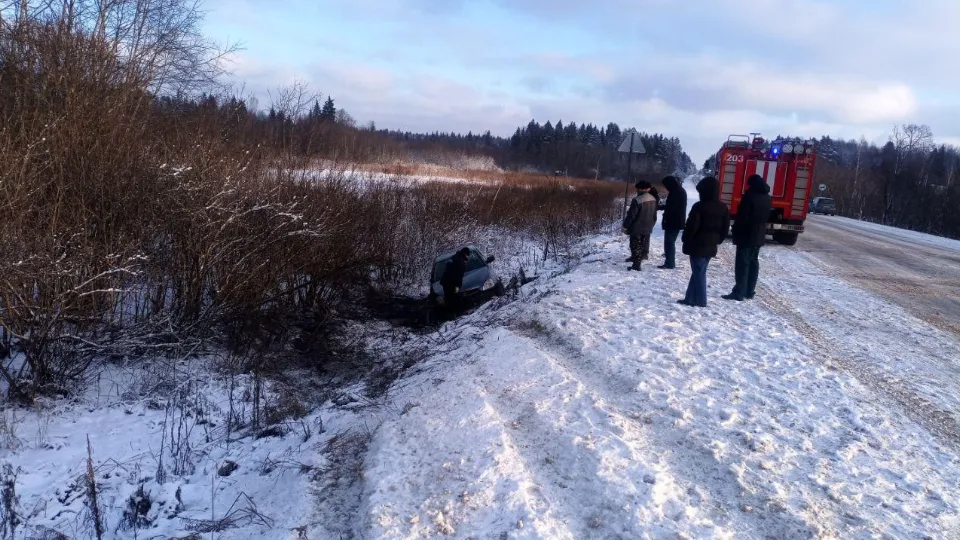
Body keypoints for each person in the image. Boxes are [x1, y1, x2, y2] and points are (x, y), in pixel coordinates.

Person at [679, 176, 730, 307]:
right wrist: (718, 240)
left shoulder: (699, 207)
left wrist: (685, 238)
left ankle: (701, 301)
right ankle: (689, 298)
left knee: (699, 273)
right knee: (698, 272)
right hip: (711, 245)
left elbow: (691, 226)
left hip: (697, 245)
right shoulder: (723, 207)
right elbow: (725, 228)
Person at [724, 174, 772, 301]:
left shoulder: (749, 197)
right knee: (753, 262)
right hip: (759, 234)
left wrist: (735, 230)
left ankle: (739, 292)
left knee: (742, 264)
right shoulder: (767, 197)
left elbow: (742, 218)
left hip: (746, 234)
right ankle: (750, 291)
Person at [622, 180, 658, 271]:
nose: (636, 190)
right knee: (642, 244)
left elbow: (631, 215)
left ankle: (636, 265)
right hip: (648, 226)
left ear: (640, 189)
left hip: (637, 227)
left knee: (635, 245)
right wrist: (652, 224)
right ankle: (638, 259)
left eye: (637, 188)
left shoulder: (637, 200)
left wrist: (625, 226)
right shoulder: (653, 198)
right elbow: (654, 214)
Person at [658, 176, 687, 270]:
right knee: (669, 242)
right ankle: (669, 261)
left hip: (673, 222)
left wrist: (661, 208)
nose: (666, 187)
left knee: (669, 243)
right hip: (675, 221)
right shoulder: (678, 190)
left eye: (666, 185)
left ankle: (670, 263)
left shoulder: (676, 192)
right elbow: (671, 206)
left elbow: (672, 207)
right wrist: (661, 207)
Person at [440, 247, 470, 313]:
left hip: (445, 282)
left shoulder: (454, 257)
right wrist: (458, 286)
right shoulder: (461, 262)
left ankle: (451, 314)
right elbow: (459, 276)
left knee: (449, 299)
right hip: (452, 283)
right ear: (465, 254)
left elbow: (448, 270)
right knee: (456, 298)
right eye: (468, 255)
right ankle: (460, 313)